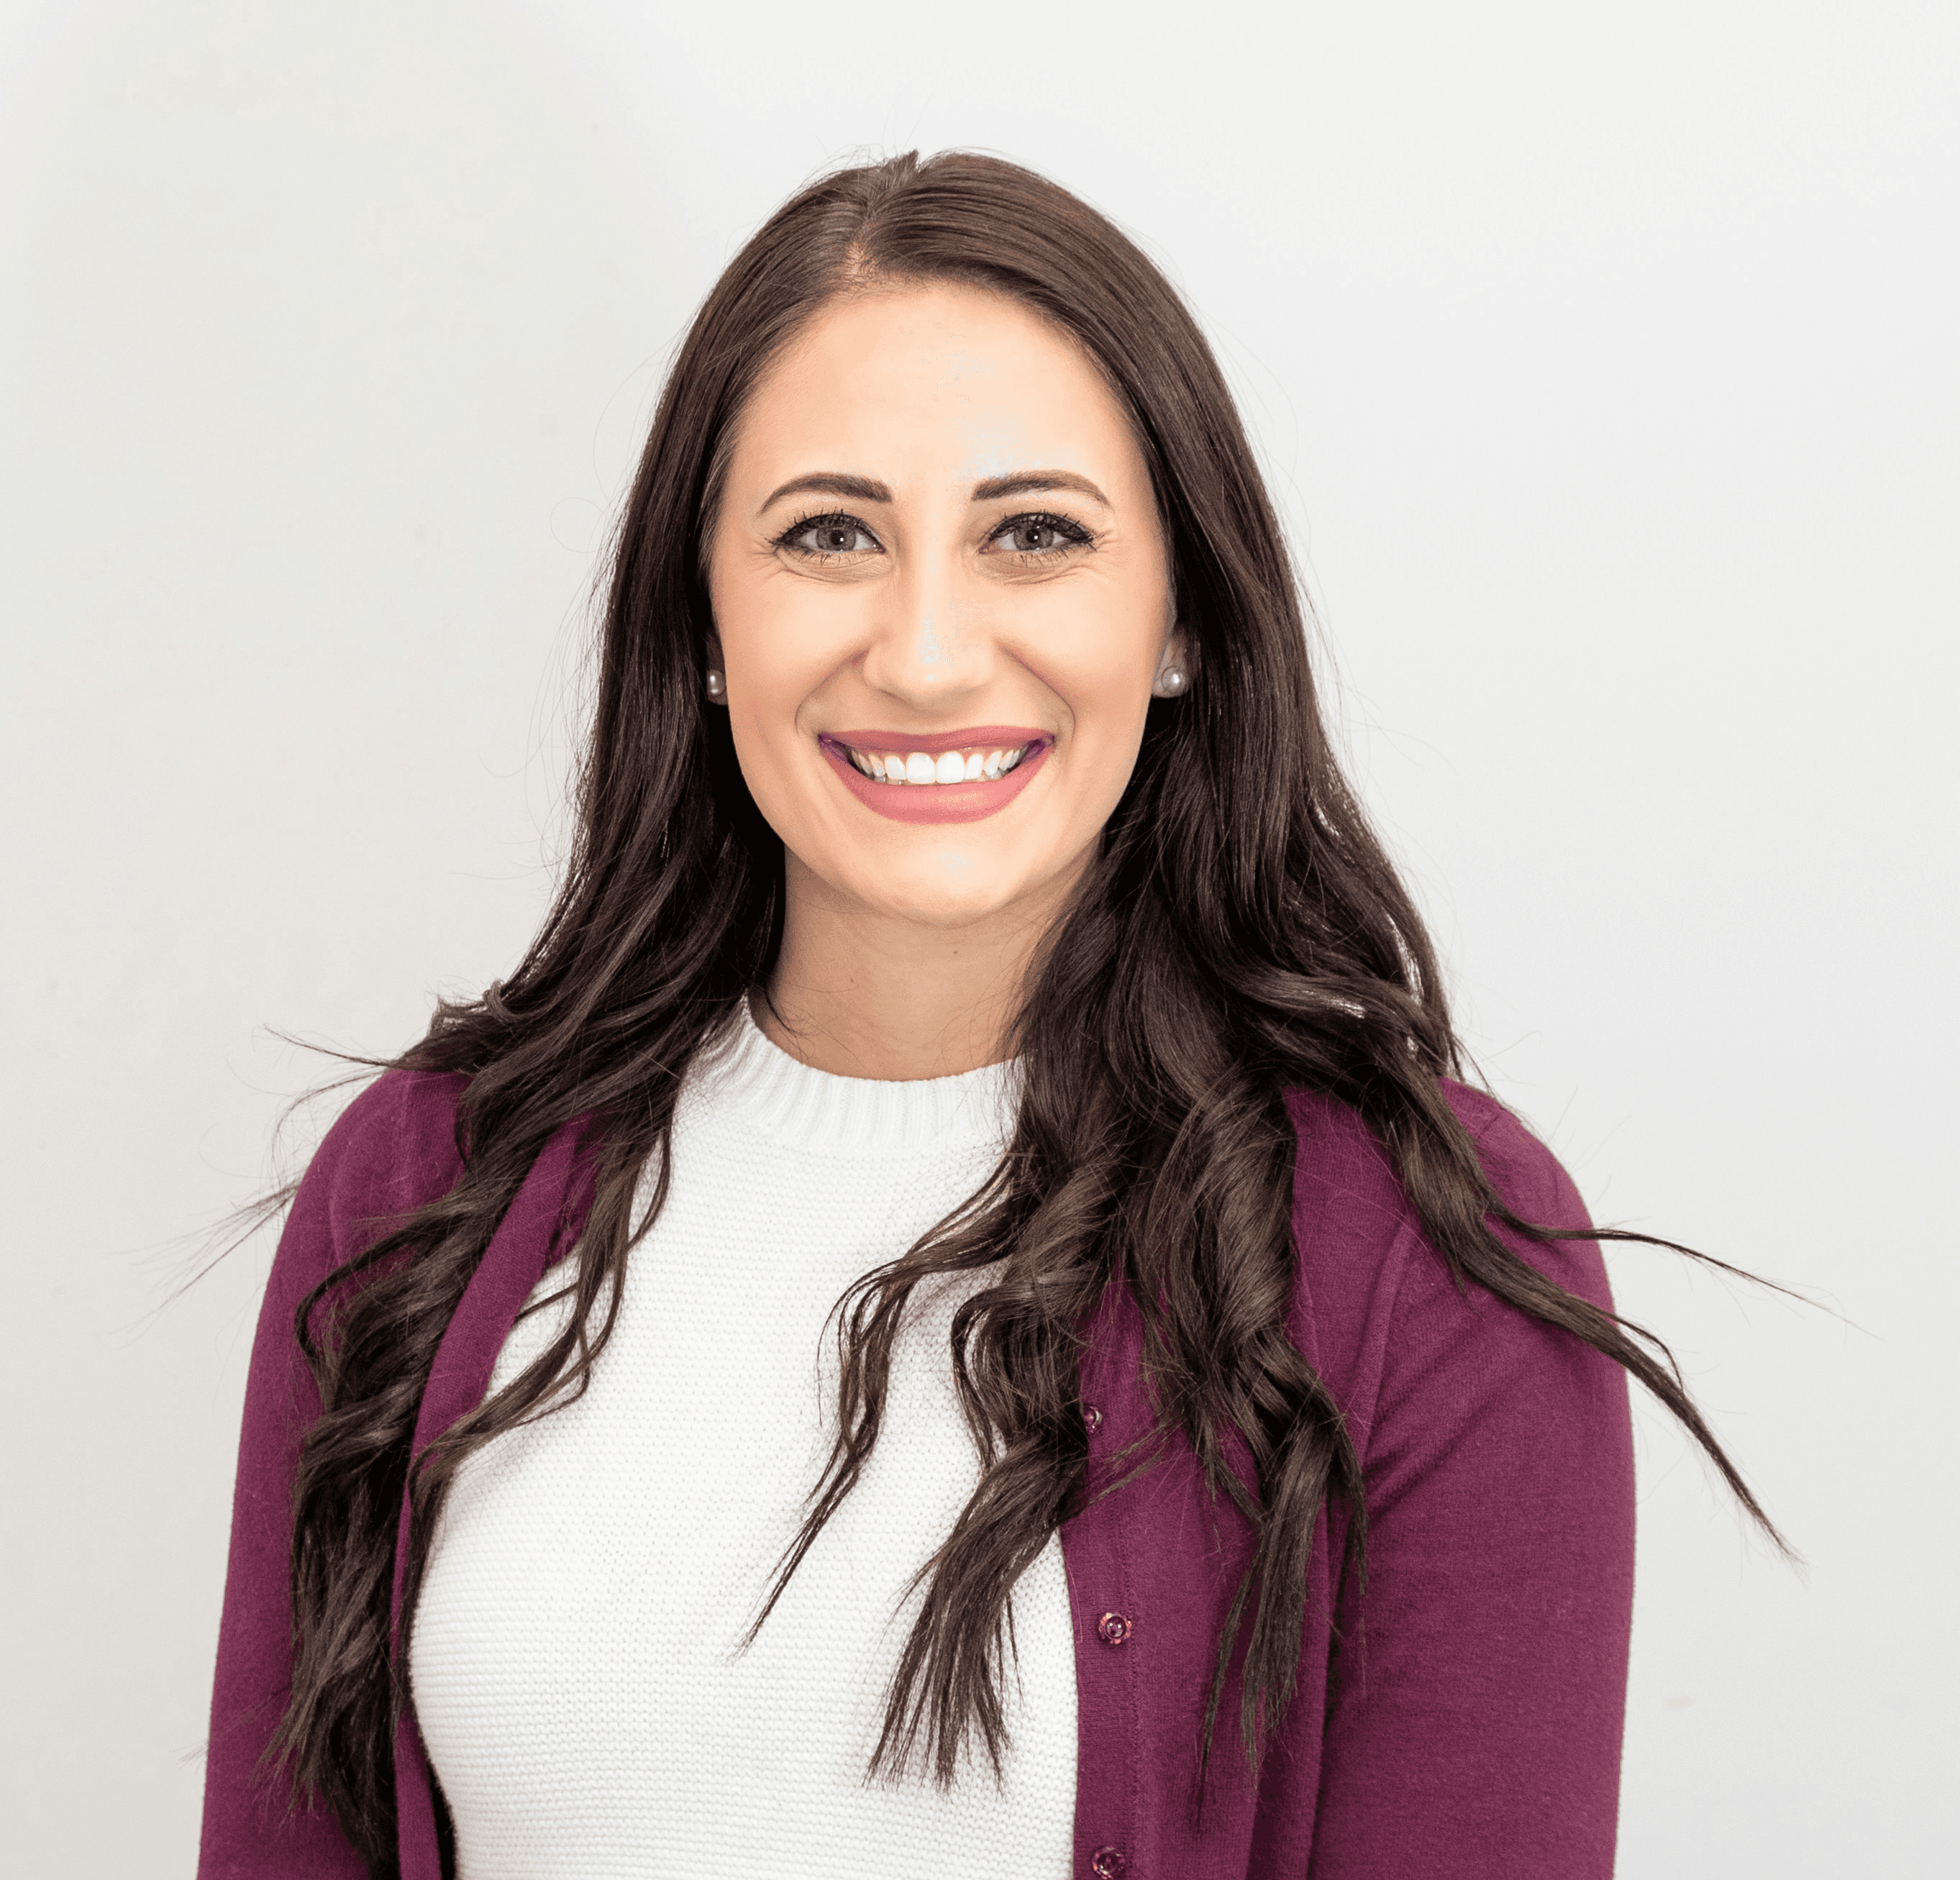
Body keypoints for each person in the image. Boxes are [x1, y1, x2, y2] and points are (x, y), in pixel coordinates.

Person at [197, 150, 1774, 1880]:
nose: (929, 651)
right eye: (827, 535)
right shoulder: (425, 1184)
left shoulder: (1429, 1255)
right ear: (703, 618)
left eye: (1037, 535)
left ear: (1177, 617)